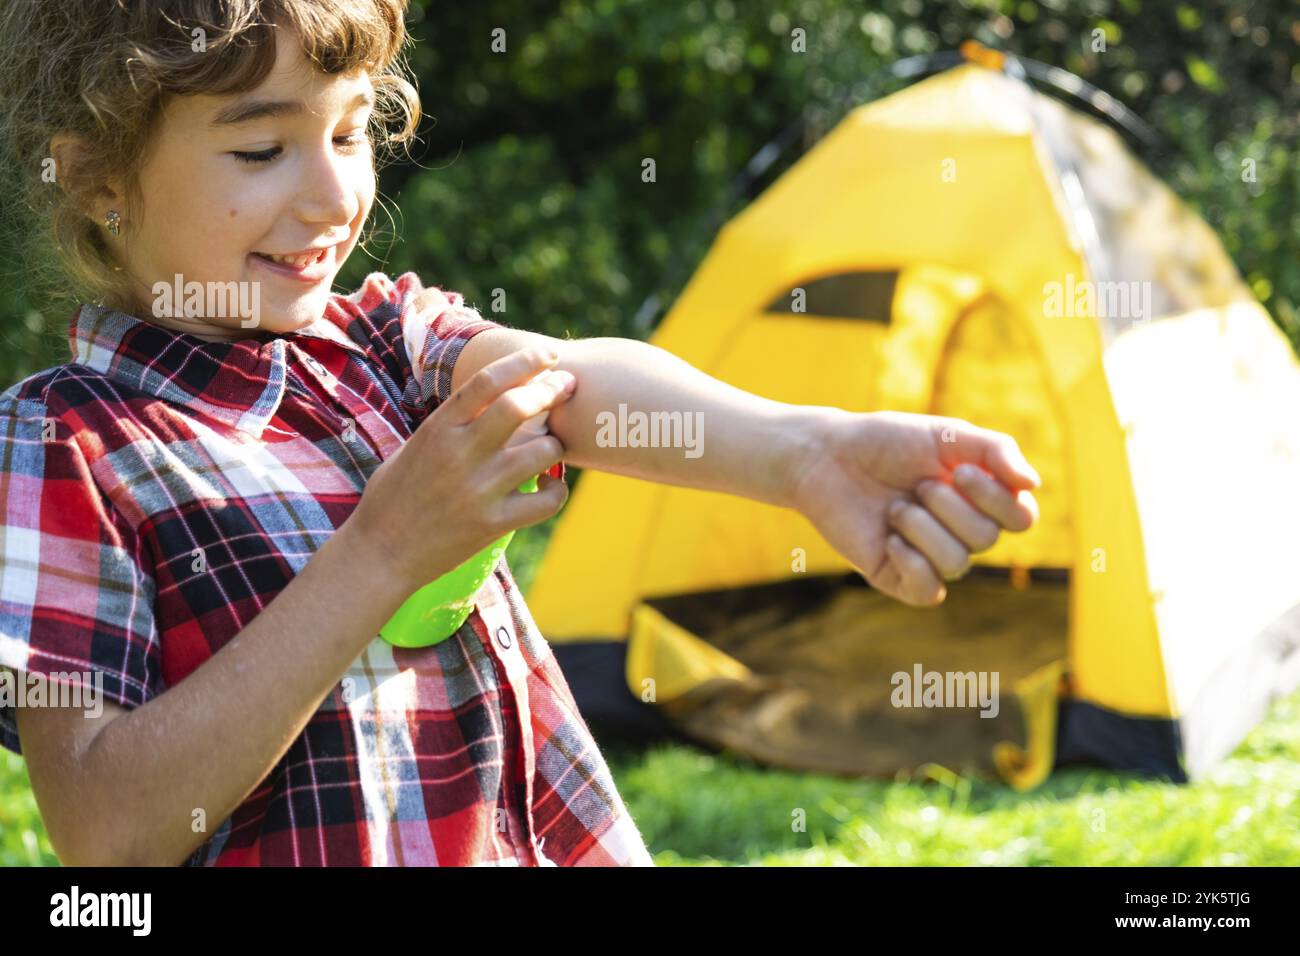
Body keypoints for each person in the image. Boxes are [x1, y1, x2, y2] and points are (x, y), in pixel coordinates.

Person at [0, 0, 1038, 866]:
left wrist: (802, 453)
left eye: (352, 131)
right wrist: (383, 551)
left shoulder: (384, 342)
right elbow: (107, 825)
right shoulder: (66, 443)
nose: (332, 195)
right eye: (263, 147)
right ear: (96, 177)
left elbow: (572, 380)